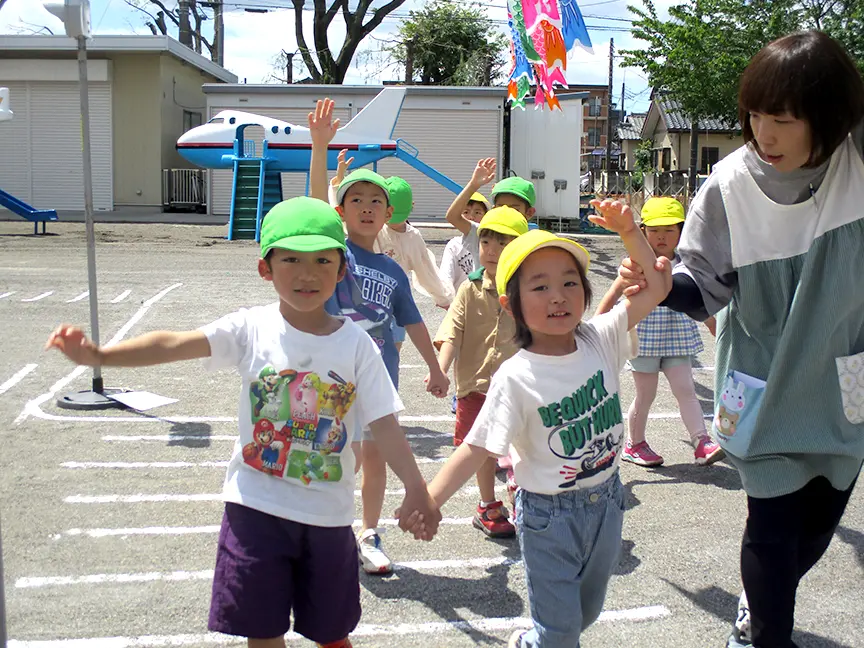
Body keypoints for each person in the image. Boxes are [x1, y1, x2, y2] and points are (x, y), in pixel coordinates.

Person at [45, 197, 441, 648]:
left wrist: (416, 487)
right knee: (262, 629)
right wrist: (101, 356)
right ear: (265, 269)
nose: (307, 273)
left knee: (332, 634)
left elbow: (385, 425)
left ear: (341, 269)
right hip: (254, 509)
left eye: (321, 260)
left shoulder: (356, 347)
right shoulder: (250, 328)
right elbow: (175, 343)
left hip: (328, 518)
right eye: (290, 259)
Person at [615, 30, 864, 648]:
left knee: (815, 530)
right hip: (760, 378)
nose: (764, 135)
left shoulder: (857, 160)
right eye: (754, 116)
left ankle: (759, 605)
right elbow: (704, 287)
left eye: (782, 119)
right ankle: (761, 637)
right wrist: (661, 280)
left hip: (844, 383)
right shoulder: (726, 185)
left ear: (830, 118)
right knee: (772, 533)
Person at [405, 199, 672, 648]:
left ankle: (532, 641)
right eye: (541, 286)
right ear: (510, 304)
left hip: (607, 501)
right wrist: (430, 499)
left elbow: (659, 284)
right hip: (549, 516)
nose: (558, 296)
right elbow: (477, 447)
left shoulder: (599, 337)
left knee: (585, 614)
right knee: (563, 631)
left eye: (571, 282)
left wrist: (629, 232)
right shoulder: (515, 375)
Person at [308, 98, 450, 576]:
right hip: (330, 379)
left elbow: (412, 321)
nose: (366, 209)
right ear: (340, 210)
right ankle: (330, 530)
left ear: (389, 211)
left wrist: (434, 367)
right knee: (334, 456)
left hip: (379, 382)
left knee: (375, 458)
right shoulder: (332, 252)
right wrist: (320, 147)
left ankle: (368, 533)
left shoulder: (392, 268)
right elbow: (312, 204)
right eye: (356, 201)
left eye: (375, 202)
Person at [594, 196, 723, 467]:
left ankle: (701, 441)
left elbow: (699, 300)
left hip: (677, 338)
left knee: (685, 389)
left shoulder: (688, 265)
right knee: (646, 394)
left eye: (669, 230)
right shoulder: (635, 262)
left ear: (682, 231)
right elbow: (613, 292)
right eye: (654, 231)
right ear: (643, 232)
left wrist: (714, 326)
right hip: (644, 340)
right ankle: (635, 444)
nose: (661, 237)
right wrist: (595, 327)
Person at [433, 206, 529, 538]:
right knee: (480, 451)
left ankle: (527, 496)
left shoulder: (527, 292)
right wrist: (441, 369)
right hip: (474, 387)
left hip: (518, 390)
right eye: (486, 241)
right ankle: (487, 504)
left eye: (502, 243)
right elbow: (452, 331)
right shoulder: (469, 289)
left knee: (525, 442)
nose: (491, 250)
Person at [327, 151, 454, 351]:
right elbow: (426, 272)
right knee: (385, 357)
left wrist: (339, 181)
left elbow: (341, 212)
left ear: (388, 209)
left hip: (377, 303)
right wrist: (443, 298)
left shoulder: (379, 227)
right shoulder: (385, 229)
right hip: (389, 304)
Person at [445, 157, 537, 274]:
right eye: (501, 206)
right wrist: (473, 185)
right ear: (493, 209)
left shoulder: (530, 241)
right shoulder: (483, 232)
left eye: (514, 208)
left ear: (529, 213)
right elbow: (453, 217)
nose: (505, 211)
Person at [439, 191, 490, 294]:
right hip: (460, 302)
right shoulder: (454, 245)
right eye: (466, 212)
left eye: (477, 212)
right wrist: (446, 296)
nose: (471, 217)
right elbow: (446, 276)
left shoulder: (490, 244)